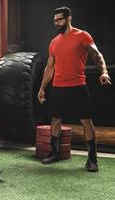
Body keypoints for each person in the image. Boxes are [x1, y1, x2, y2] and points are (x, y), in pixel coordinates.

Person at [38, 7, 111, 172]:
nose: (57, 23)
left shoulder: (82, 36)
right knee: (55, 120)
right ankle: (54, 153)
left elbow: (97, 55)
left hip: (78, 86)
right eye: (55, 20)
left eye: (60, 19)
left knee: (86, 121)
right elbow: (49, 68)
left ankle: (92, 159)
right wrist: (42, 88)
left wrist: (104, 72)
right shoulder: (54, 42)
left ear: (69, 18)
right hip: (58, 87)